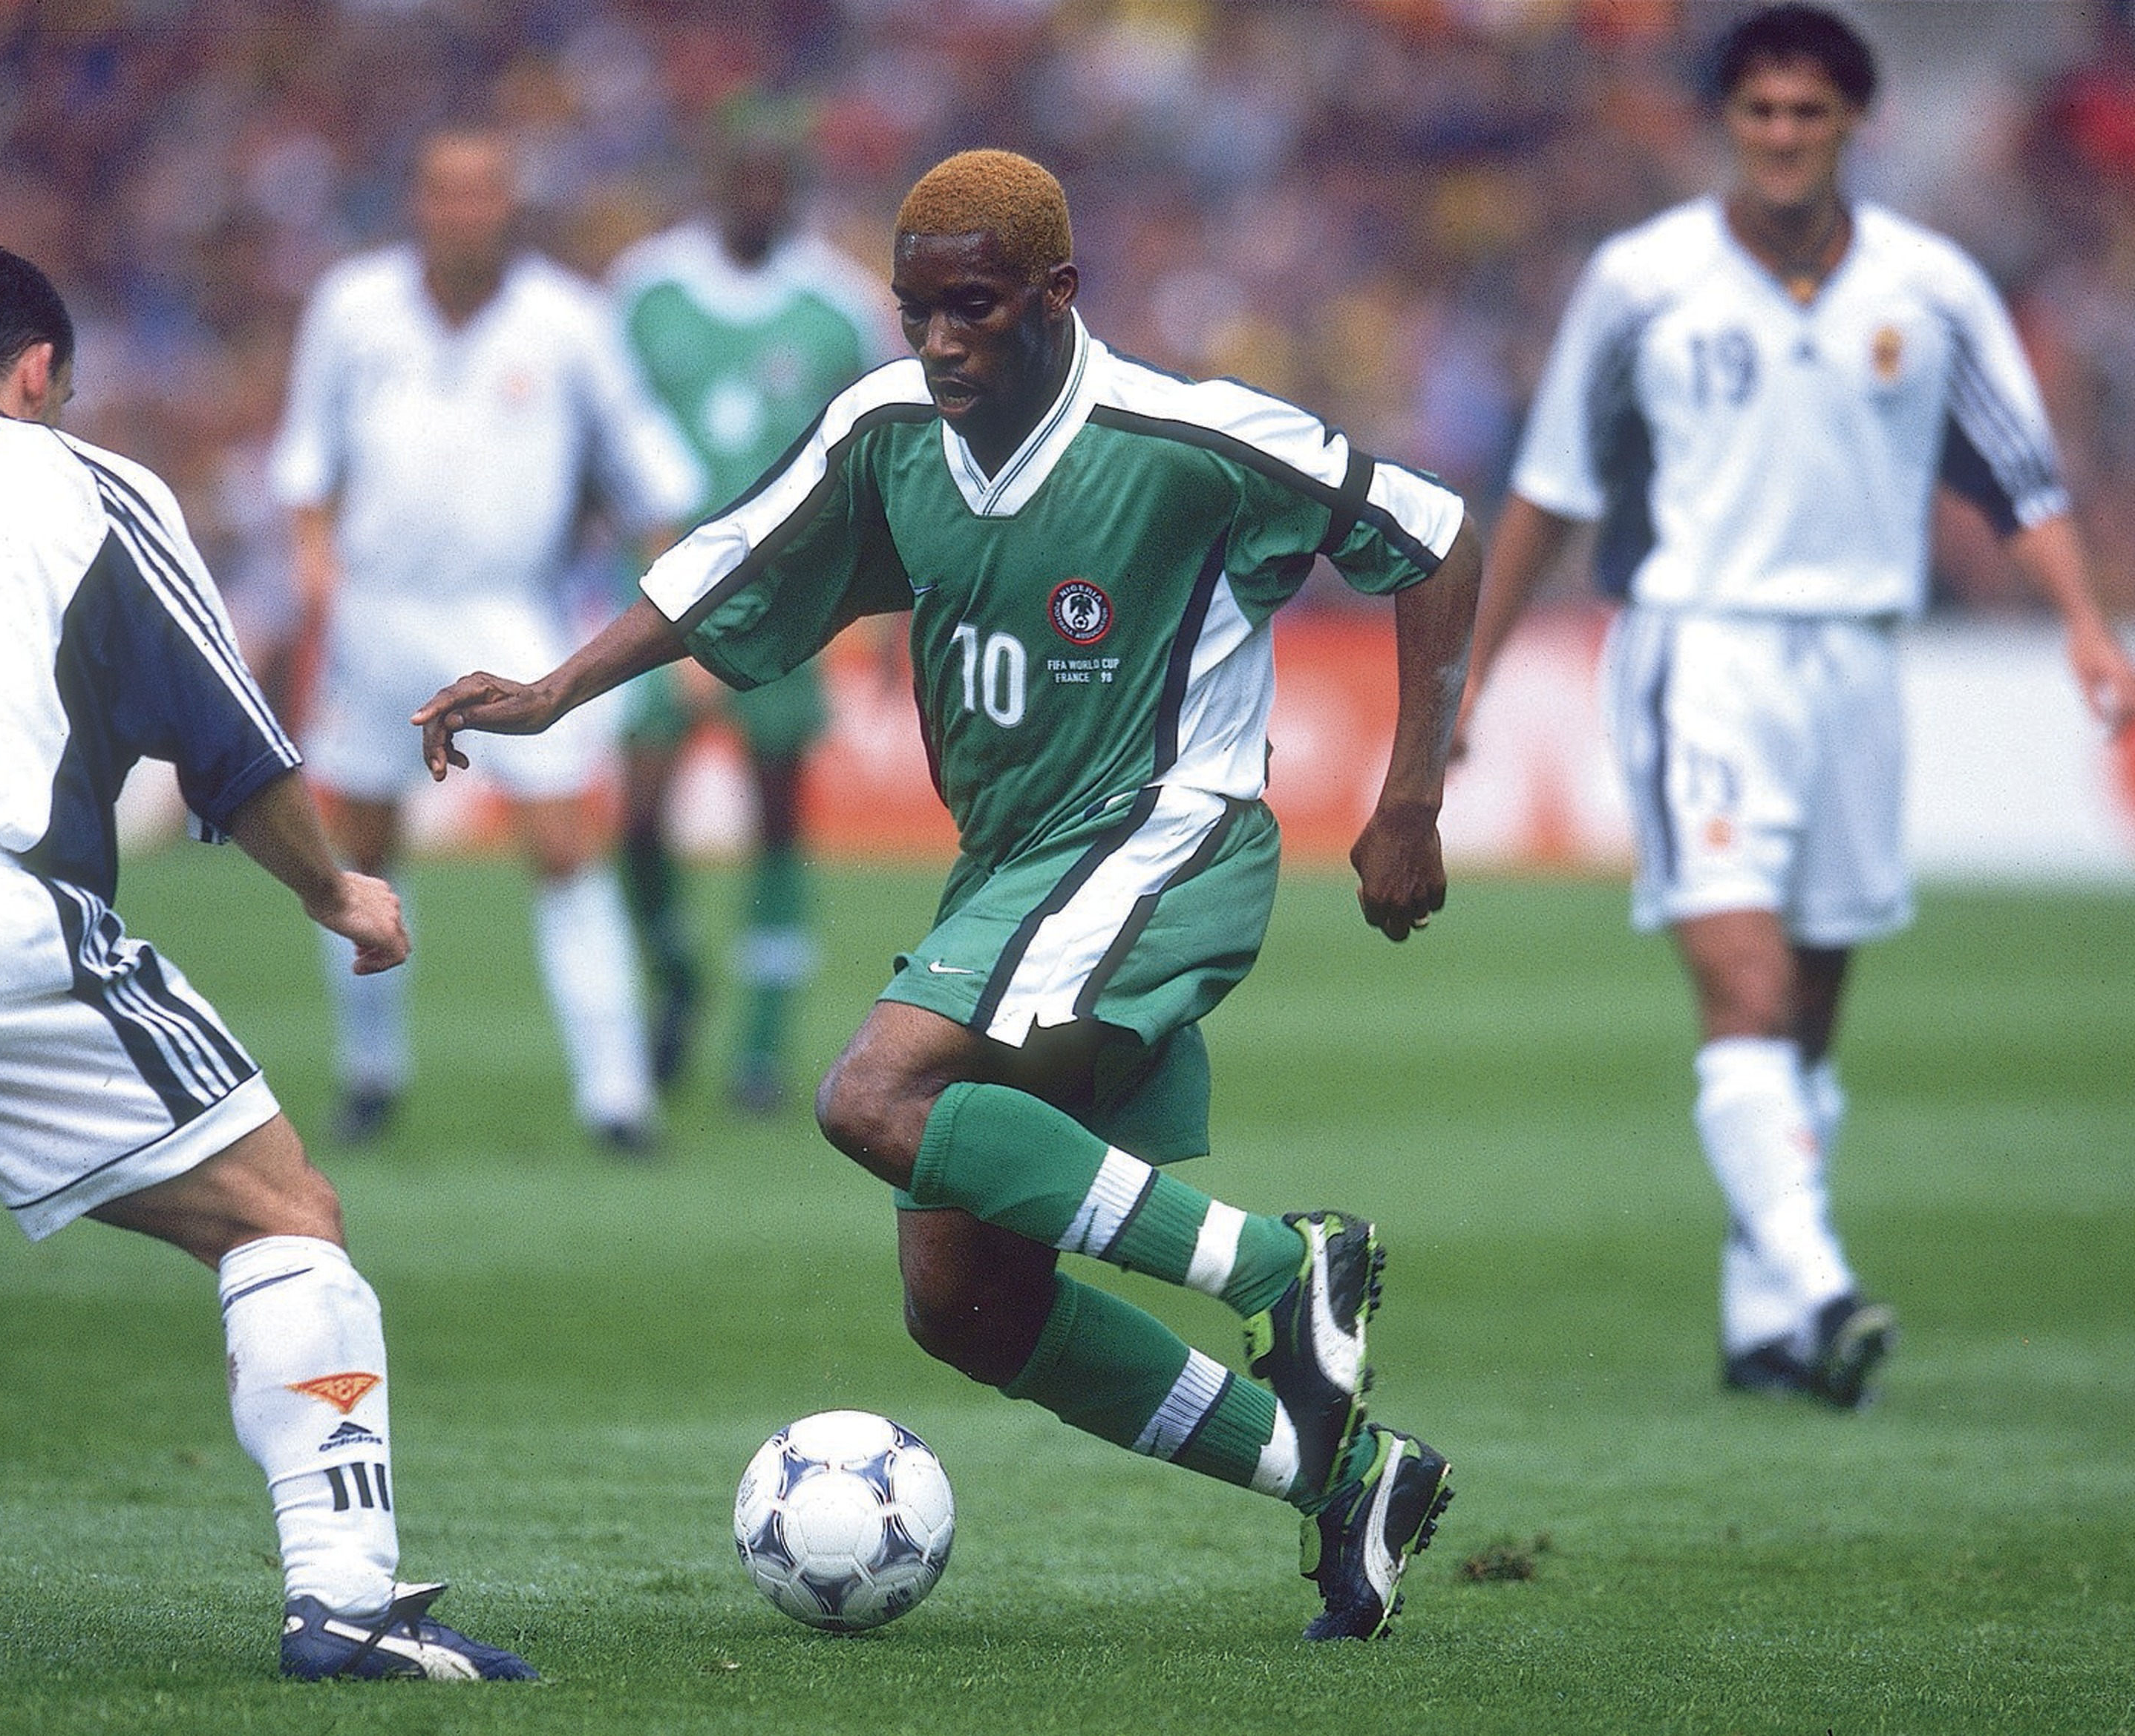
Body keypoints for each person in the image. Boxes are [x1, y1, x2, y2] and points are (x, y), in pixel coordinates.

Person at [419, 148, 1484, 1642]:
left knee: (870, 1097)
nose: (937, 343)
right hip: (1013, 870)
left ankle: (1279, 1263)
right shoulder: (888, 427)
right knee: (961, 1298)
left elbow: (1429, 536)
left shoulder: (1180, 436)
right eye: (914, 311)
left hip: (1160, 839)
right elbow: (732, 555)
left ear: (1056, 293)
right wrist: (551, 690)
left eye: (971, 309)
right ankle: (1341, 1477)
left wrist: (1411, 794)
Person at [0, 245, 530, 1681]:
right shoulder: (87, 485)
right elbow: (229, 733)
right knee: (283, 1214)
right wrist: (336, 896)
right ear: (42, 377)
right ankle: (344, 1598)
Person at [1460, 4, 2135, 1408]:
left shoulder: (1932, 287)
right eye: (1760, 112)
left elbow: (2020, 474)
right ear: (1728, 123)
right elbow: (1551, 486)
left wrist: (2082, 623)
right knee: (1746, 984)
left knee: (1812, 1011)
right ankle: (1822, 1283)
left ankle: (1762, 1319)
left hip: (1857, 662)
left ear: (1853, 124)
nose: (1783, 136)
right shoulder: (1644, 281)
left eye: (1808, 113)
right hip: (1699, 650)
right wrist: (1473, 675)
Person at [272, 125, 702, 1153]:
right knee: (362, 845)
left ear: (512, 206)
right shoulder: (353, 309)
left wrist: (671, 600)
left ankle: (616, 1097)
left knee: (561, 843)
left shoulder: (569, 322)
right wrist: (317, 565)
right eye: (445, 194)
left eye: (484, 194)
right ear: (416, 203)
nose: (464, 213)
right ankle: (370, 1075)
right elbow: (307, 460)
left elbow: (653, 471)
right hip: (379, 610)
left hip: (509, 613)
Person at [608, 130, 898, 1113]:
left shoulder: (839, 305)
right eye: (744, 174)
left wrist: (891, 608)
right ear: (715, 182)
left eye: (776, 178)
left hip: (788, 600)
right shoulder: (644, 290)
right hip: (660, 592)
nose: (758, 194)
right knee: (639, 823)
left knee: (778, 818)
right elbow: (606, 431)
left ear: (796, 191)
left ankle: (764, 1052)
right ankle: (677, 975)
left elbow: (881, 455)